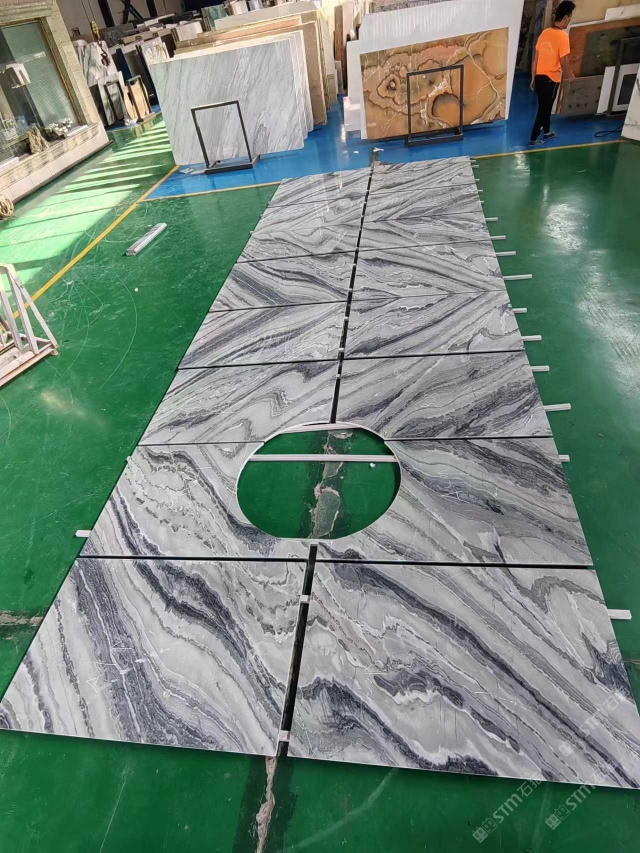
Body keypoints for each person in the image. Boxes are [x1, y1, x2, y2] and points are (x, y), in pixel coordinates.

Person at [529, 1, 576, 145]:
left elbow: (535, 59)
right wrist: (570, 76)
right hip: (551, 80)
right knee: (544, 109)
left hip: (539, 78)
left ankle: (547, 131)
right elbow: (564, 61)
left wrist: (533, 78)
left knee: (545, 106)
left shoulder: (545, 33)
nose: (570, 20)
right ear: (566, 17)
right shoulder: (563, 36)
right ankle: (533, 139)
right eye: (570, 17)